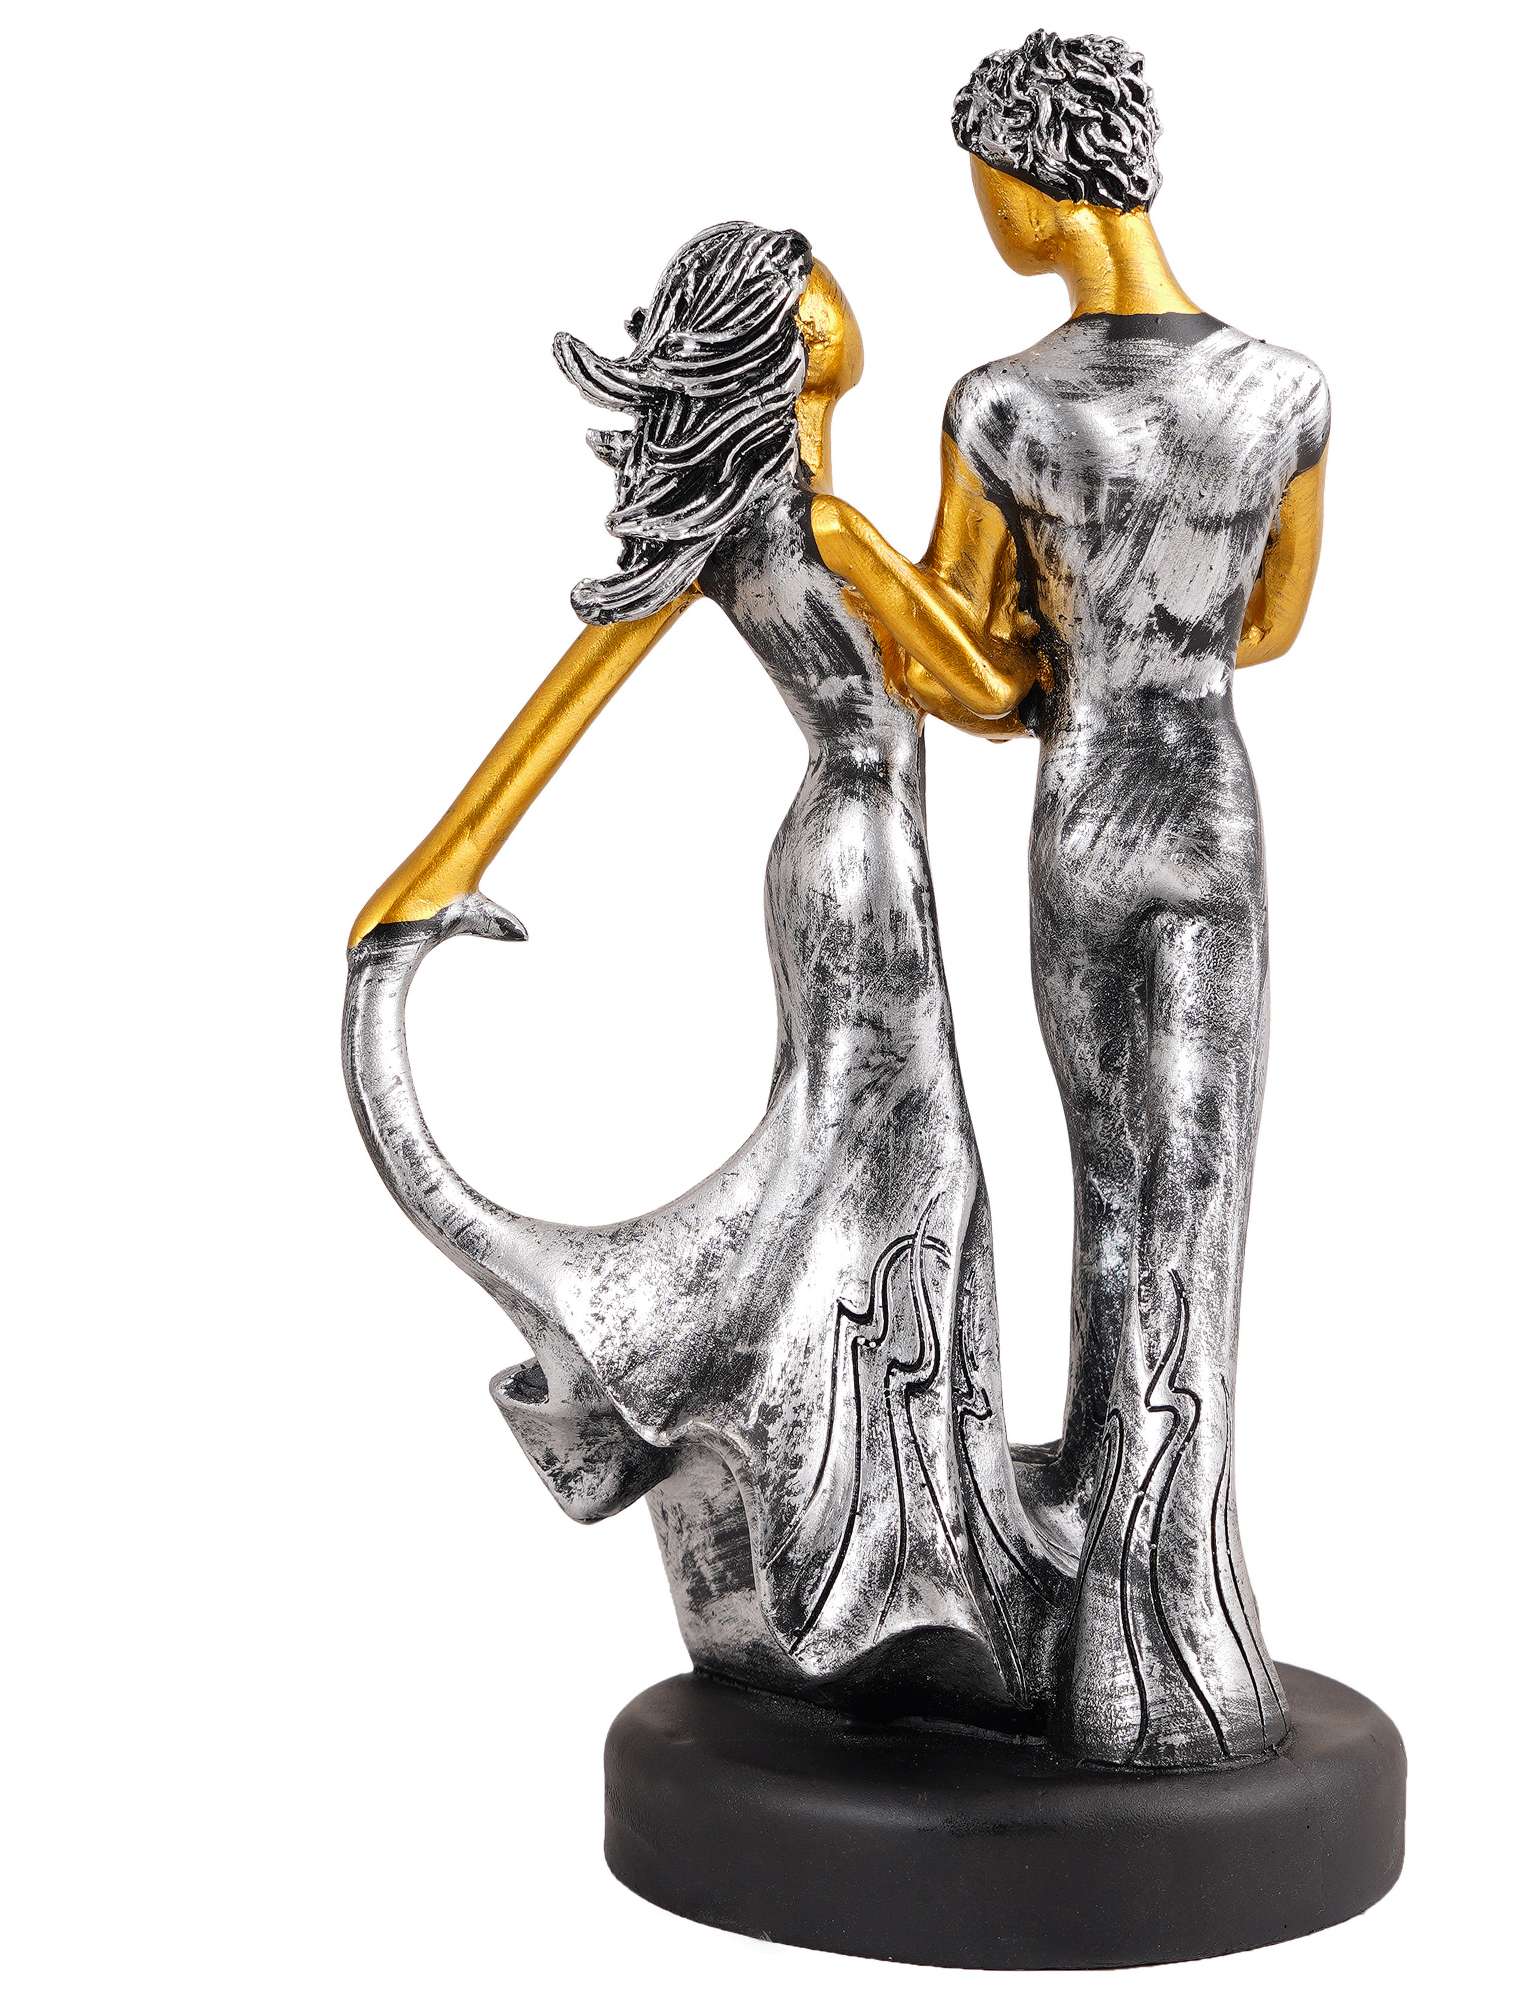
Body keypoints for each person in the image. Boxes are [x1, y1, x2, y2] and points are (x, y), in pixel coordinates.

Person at [343, 221, 1064, 1719]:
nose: (841, 301)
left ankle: (859, 1543)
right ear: (787, 341)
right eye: (814, 291)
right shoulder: (822, 529)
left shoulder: (753, 523)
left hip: (845, 851)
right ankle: (879, 1550)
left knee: (862, 1185)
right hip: (863, 859)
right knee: (906, 1188)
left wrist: (443, 859)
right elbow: (995, 691)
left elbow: (584, 678)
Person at [813, 33, 1330, 1766]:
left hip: (1089, 815)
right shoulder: (1285, 393)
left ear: (1037, 180)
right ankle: (1181, 1647)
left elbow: (974, 681)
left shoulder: (1005, 409)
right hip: (1216, 814)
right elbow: (1273, 628)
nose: (987, 215)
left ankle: (1118, 1595)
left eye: (988, 184)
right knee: (1202, 1208)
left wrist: (850, 546)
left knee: (1114, 1198)